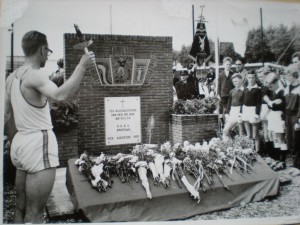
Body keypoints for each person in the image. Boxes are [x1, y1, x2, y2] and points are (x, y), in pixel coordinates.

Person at [4, 30, 95, 223]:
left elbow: (6, 117)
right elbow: (61, 95)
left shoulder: (11, 78)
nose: (48, 56)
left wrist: (16, 143)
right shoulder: (35, 76)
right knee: (36, 213)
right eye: (48, 51)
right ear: (43, 49)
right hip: (38, 143)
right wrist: (82, 65)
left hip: (19, 143)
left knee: (20, 207)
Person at [264, 73, 287, 162]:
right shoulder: (273, 93)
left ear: (276, 82)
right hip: (273, 116)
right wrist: (272, 102)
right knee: (274, 138)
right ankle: (277, 158)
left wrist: (271, 103)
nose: (270, 87)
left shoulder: (282, 92)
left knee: (281, 138)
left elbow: (279, 104)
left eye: (271, 85)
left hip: (279, 116)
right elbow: (271, 105)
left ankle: (283, 160)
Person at [284, 64, 300, 168]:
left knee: (297, 140)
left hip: (296, 116)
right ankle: (294, 163)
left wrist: (299, 120)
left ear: (294, 75)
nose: (287, 77)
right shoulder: (287, 88)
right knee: (290, 140)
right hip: (288, 117)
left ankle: (297, 165)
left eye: (289, 75)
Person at [241, 71, 261, 152]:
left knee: (255, 135)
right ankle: (251, 151)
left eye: (252, 77)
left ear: (255, 78)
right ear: (247, 78)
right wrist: (240, 113)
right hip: (246, 111)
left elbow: (259, 103)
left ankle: (257, 151)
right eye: (249, 78)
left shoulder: (257, 89)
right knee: (248, 135)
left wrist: (257, 113)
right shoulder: (245, 89)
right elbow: (242, 102)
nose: (251, 79)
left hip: (253, 111)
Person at [222, 73, 244, 139]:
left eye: (236, 81)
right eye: (233, 81)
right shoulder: (232, 91)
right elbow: (229, 103)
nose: (235, 83)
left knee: (241, 132)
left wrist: (241, 113)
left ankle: (244, 147)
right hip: (233, 111)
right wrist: (227, 113)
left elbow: (243, 103)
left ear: (241, 80)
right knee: (225, 130)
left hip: (241, 111)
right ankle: (228, 146)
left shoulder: (244, 91)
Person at [257, 67, 272, 155]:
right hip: (263, 109)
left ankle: (273, 153)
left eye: (262, 76)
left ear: (266, 75)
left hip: (269, 109)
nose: (260, 78)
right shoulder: (262, 86)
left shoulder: (269, 86)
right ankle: (268, 152)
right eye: (259, 76)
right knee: (266, 132)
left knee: (270, 132)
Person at [217, 57, 234, 125]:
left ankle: (229, 124)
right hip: (223, 94)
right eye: (227, 64)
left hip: (230, 94)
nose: (228, 66)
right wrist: (218, 94)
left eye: (229, 64)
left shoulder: (232, 74)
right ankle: (223, 124)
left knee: (229, 110)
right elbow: (219, 85)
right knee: (222, 110)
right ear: (224, 64)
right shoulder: (221, 74)